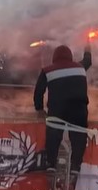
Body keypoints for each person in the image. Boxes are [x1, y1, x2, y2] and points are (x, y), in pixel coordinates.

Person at [34, 44, 92, 175]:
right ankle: (75, 167)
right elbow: (88, 60)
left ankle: (51, 165)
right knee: (79, 138)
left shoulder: (47, 70)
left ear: (54, 57)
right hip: (78, 110)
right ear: (70, 56)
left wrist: (39, 109)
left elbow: (38, 92)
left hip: (57, 110)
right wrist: (87, 44)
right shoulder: (80, 67)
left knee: (53, 136)